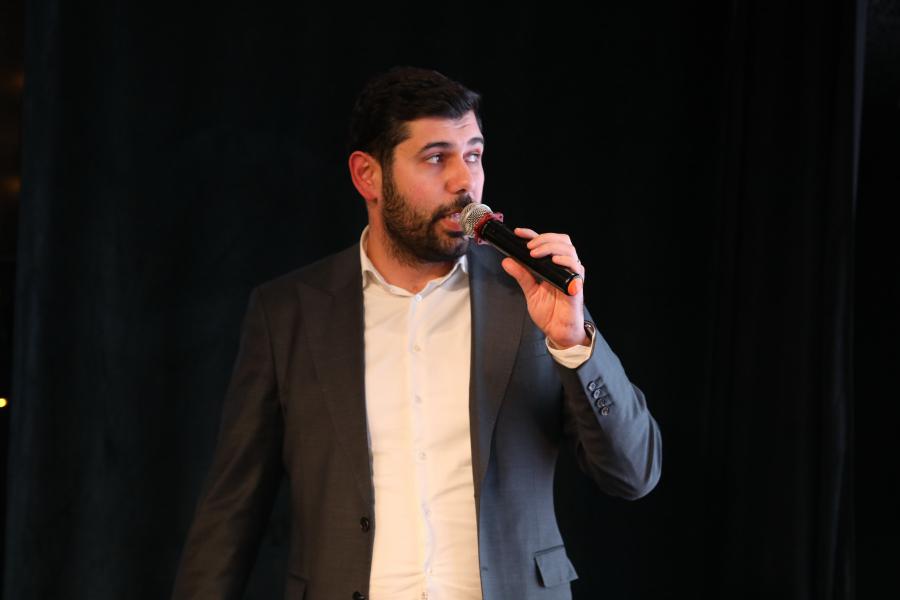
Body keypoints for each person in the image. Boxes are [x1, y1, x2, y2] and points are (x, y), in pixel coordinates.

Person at [172, 66, 661, 600]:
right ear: (368, 176)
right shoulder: (289, 312)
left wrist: (574, 343)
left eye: (473, 155)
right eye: (435, 158)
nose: (464, 182)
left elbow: (633, 474)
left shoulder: (530, 299)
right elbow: (231, 513)